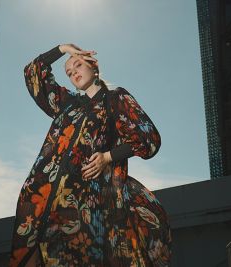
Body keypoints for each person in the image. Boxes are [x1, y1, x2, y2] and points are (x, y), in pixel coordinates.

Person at [9, 44, 172, 267]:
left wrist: (108, 157)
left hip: (86, 203)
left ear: (94, 67)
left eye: (78, 65)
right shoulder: (66, 103)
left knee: (81, 258)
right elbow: (33, 72)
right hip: (41, 197)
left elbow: (148, 138)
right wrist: (62, 48)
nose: (73, 72)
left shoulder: (115, 99)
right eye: (69, 72)